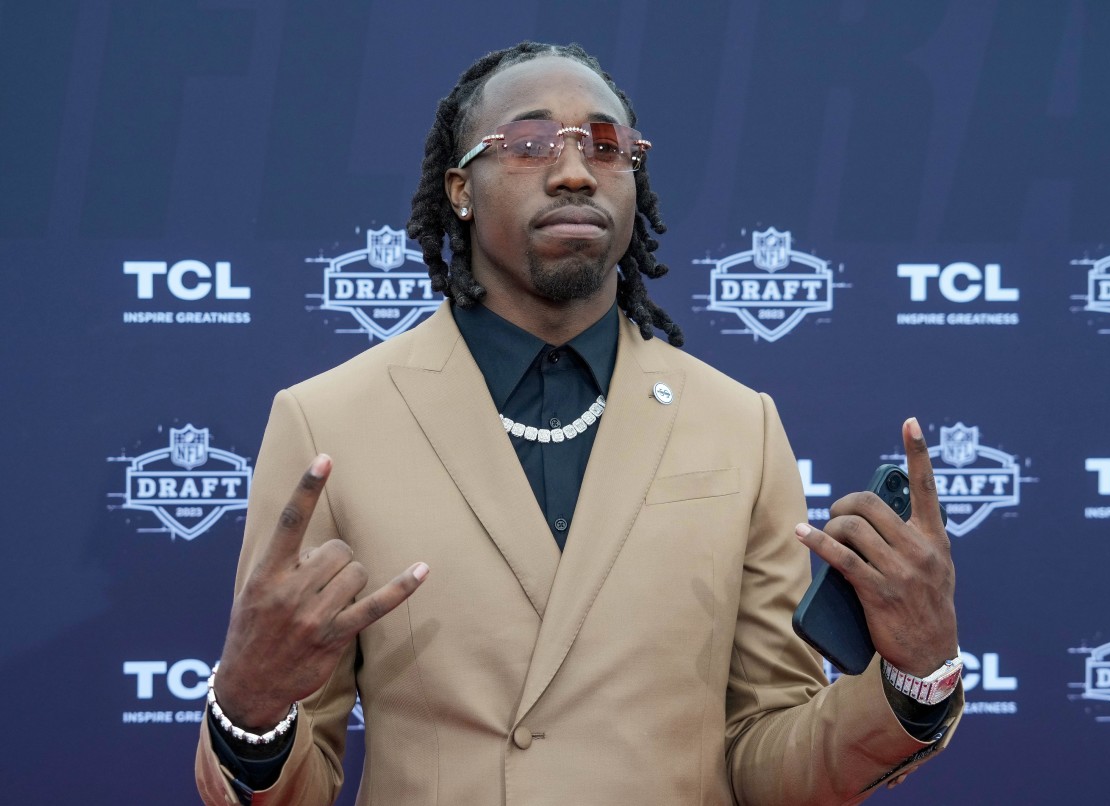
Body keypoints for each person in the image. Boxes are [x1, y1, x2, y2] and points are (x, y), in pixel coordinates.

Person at [196, 41, 963, 806]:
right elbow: (296, 788)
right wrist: (250, 715)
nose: (575, 172)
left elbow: (769, 761)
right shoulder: (328, 423)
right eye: (530, 144)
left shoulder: (740, 426)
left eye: (606, 145)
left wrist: (916, 679)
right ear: (460, 189)